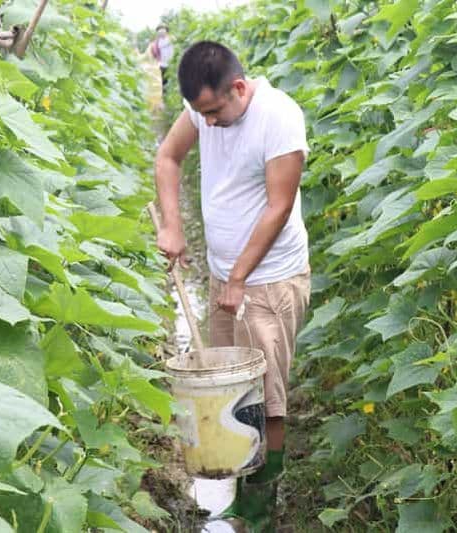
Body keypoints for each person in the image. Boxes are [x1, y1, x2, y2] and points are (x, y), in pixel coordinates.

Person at [154, 41, 311, 531]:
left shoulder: (279, 117)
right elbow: (167, 157)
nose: (211, 124)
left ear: (239, 88)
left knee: (267, 400)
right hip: (227, 277)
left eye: (215, 112)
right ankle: (239, 496)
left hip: (269, 281)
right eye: (203, 114)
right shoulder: (203, 111)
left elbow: (278, 206)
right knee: (230, 392)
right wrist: (173, 227)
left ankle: (261, 510)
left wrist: (240, 276)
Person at [149, 24, 174, 91]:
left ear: (166, 31)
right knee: (163, 81)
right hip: (161, 64)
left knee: (171, 80)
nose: (161, 32)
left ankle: (169, 94)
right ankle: (164, 95)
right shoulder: (156, 42)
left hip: (172, 64)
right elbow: (154, 52)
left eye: (163, 30)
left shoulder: (171, 38)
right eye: (159, 31)